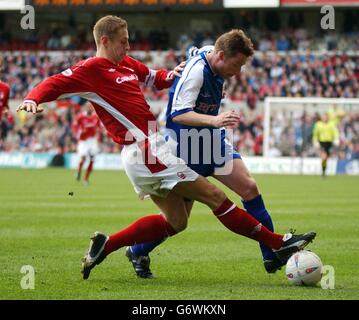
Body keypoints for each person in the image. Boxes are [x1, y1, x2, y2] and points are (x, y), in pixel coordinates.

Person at [17, 16, 316, 281]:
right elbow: (55, 82)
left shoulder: (126, 64)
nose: (128, 47)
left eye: (129, 41)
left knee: (177, 221)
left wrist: (170, 75)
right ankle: (278, 243)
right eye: (123, 42)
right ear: (104, 41)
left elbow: (153, 77)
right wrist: (33, 99)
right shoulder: (91, 69)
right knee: (215, 196)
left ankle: (107, 245)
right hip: (146, 149)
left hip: (149, 149)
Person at [126, 35, 291, 278]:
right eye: (236, 65)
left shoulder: (211, 55)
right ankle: (137, 250)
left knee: (249, 187)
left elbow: (198, 49)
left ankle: (271, 254)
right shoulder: (197, 72)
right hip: (186, 144)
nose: (237, 72)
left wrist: (190, 55)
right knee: (178, 222)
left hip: (211, 140)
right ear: (222, 56)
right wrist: (215, 119)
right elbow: (178, 113)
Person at [73, 102, 101, 185]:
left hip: (92, 140)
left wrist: (98, 139)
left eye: (91, 107)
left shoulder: (95, 117)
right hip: (83, 141)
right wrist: (79, 133)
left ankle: (86, 179)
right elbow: (75, 127)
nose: (89, 108)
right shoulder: (80, 117)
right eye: (88, 107)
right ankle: (79, 170)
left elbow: (98, 128)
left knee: (92, 159)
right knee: (83, 158)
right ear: (85, 108)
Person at [312, 112, 340, 177]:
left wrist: (336, 139)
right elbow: (315, 134)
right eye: (323, 117)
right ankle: (323, 172)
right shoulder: (318, 124)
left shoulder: (331, 124)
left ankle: (324, 170)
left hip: (329, 143)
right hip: (322, 142)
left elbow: (335, 132)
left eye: (326, 117)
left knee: (326, 158)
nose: (325, 118)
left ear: (328, 117)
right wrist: (315, 141)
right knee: (324, 157)